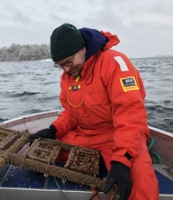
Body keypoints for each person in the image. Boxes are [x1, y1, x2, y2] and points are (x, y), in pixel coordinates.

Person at [29, 23, 159, 200]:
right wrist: (54, 130)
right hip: (85, 136)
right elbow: (71, 113)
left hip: (119, 135)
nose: (66, 70)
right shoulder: (69, 74)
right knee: (39, 157)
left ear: (82, 49)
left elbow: (132, 116)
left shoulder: (114, 63)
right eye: (60, 66)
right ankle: (103, 164)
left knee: (142, 185)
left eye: (68, 62)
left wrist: (122, 159)